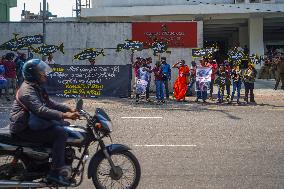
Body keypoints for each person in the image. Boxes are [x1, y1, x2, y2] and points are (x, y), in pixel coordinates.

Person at [9, 59, 80, 186]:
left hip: (30, 123)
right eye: (41, 72)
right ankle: (55, 173)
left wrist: (68, 109)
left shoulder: (35, 86)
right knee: (60, 133)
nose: (44, 74)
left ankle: (49, 161)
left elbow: (49, 103)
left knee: (64, 126)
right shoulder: (28, 90)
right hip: (23, 128)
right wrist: (65, 115)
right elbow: (40, 110)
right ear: (34, 74)